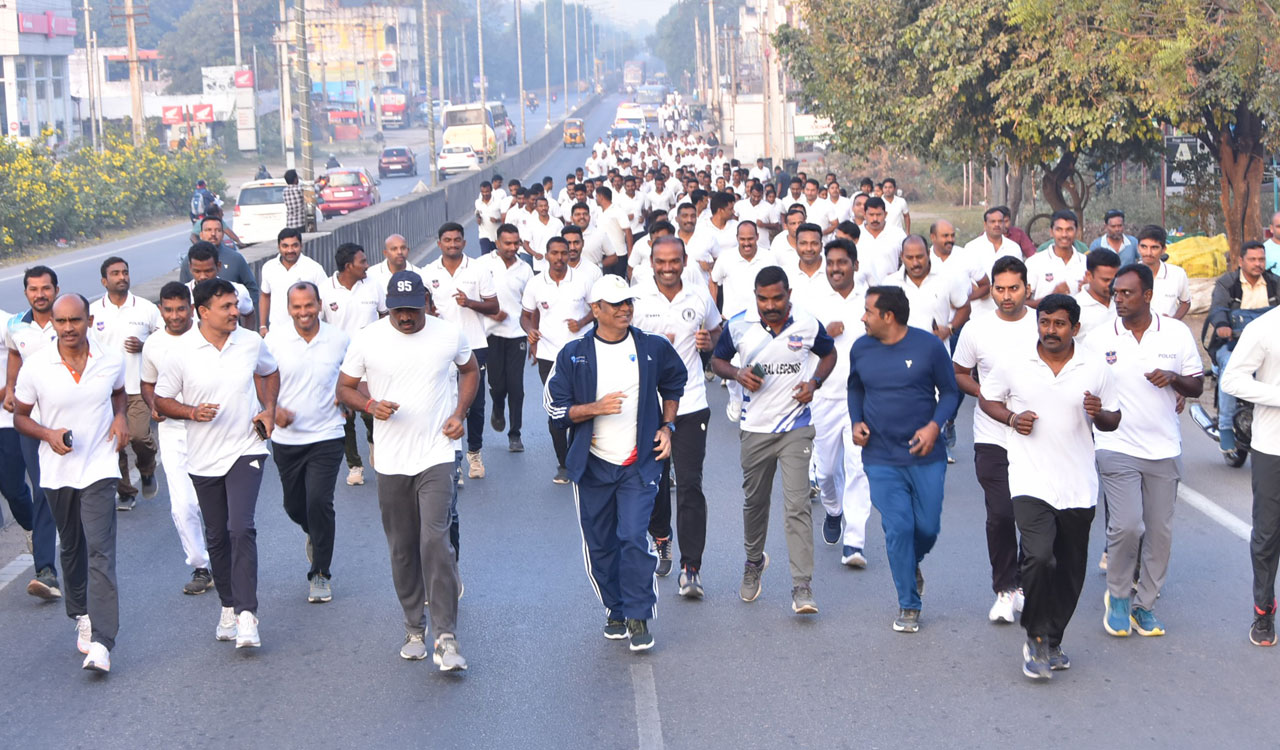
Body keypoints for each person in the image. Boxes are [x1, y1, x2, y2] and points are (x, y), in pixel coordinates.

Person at [336, 270, 478, 671]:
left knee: (435, 540)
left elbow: (470, 370)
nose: (405, 318)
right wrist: (369, 406)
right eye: (398, 311)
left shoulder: (448, 334)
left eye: (412, 310)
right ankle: (414, 627)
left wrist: (459, 413)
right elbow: (344, 388)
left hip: (436, 451)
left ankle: (446, 636)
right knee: (402, 547)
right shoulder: (368, 338)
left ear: (425, 304)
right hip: (392, 460)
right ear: (388, 307)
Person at [978, 294, 1122, 680]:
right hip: (1029, 478)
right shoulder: (1015, 361)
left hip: (1078, 483)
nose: (1050, 331)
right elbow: (986, 399)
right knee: (1039, 556)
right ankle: (1037, 637)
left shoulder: (1095, 366)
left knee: (1071, 568)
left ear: (1075, 328)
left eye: (1059, 324)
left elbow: (1114, 418)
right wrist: (1011, 418)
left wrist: (1100, 413)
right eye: (1044, 323)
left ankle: (1054, 637)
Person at [545, 275, 686, 650]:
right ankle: (616, 609)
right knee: (602, 544)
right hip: (593, 466)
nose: (626, 308)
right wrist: (595, 408)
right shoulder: (574, 353)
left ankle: (639, 615)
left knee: (633, 538)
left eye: (629, 302)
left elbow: (674, 383)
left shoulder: (651, 347)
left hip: (639, 464)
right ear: (596, 310)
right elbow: (554, 407)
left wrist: (668, 427)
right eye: (616, 303)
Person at [154, 279, 280, 650]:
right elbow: (161, 401)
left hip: (247, 447)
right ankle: (227, 604)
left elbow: (269, 372)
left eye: (235, 305)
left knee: (241, 528)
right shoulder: (180, 353)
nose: (234, 312)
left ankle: (246, 615)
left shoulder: (251, 342)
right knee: (217, 536)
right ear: (203, 312)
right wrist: (191, 412)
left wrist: (269, 410)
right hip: (203, 455)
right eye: (225, 307)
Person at [711, 266, 837, 615]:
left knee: (797, 505)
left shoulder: (808, 324)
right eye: (763, 299)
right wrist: (737, 373)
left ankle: (802, 586)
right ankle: (754, 562)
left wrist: (814, 384)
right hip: (755, 430)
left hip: (796, 428)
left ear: (789, 294)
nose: (770, 305)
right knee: (756, 502)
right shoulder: (739, 325)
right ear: (755, 297)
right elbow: (717, 359)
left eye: (777, 298)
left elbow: (829, 354)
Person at [13, 293, 129, 673]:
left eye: (74, 321)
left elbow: (118, 392)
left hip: (99, 465)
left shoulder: (110, 358)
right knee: (73, 546)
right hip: (58, 470)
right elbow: (20, 417)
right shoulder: (37, 366)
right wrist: (47, 435)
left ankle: (102, 642)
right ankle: (80, 610)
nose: (67, 328)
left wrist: (120, 417)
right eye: (61, 322)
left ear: (88, 319)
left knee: (100, 549)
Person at [1094, 263, 1203, 638]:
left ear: (1148, 296)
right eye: (1116, 293)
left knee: (1159, 533)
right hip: (1116, 444)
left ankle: (1144, 605)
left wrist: (1174, 380)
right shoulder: (1098, 336)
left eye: (1126, 293)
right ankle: (1119, 597)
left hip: (1163, 448)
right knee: (1127, 525)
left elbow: (1197, 385)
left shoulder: (1175, 333)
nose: (1119, 299)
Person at [848, 286, 960, 633]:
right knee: (898, 527)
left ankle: (911, 562)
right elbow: (856, 388)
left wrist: (933, 427)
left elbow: (952, 393)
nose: (862, 317)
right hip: (881, 455)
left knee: (925, 528)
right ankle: (909, 604)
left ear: (888, 316)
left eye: (868, 312)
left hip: (925, 454)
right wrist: (856, 421)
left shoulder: (928, 347)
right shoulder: (861, 348)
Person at [631, 236, 722, 596]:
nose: (667, 269)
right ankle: (661, 536)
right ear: (650, 262)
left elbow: (716, 329)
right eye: (660, 262)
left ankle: (691, 567)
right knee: (654, 480)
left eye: (674, 262)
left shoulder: (699, 295)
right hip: (649, 406)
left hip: (691, 404)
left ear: (684, 261)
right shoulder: (636, 298)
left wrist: (709, 342)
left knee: (689, 483)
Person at [953, 256, 1039, 623]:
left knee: (1031, 515)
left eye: (1013, 288)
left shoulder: (1043, 323)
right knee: (1001, 513)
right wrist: (985, 396)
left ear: (1027, 289)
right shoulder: (977, 328)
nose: (1006, 296)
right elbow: (960, 372)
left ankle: (1024, 581)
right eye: (1000, 289)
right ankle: (1004, 588)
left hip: (1038, 435)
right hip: (992, 435)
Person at [265, 282, 350, 604]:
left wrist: (348, 400)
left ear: (319, 305)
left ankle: (321, 573)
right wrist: (272, 410)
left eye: (309, 305)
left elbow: (353, 376)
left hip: (327, 435)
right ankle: (314, 532)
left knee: (319, 501)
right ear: (288, 309)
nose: (304, 312)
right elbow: (257, 378)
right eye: (297, 307)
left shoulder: (339, 339)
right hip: (287, 439)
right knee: (294, 505)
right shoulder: (273, 341)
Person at [140, 283, 213, 596]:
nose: (175, 316)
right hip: (173, 432)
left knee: (207, 503)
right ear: (161, 311)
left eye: (181, 308)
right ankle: (200, 565)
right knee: (182, 506)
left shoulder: (209, 336)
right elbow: (147, 383)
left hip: (211, 430)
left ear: (192, 307)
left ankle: (223, 557)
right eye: (168, 310)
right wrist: (154, 405)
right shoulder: (153, 344)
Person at [808, 239, 873, 567]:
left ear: (855, 265)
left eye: (842, 263)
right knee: (828, 469)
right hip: (825, 397)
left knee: (858, 468)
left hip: (863, 399)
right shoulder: (814, 302)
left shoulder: (871, 301)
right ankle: (834, 510)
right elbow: (795, 344)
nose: (836, 269)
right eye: (830, 263)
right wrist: (823, 334)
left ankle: (855, 541)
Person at [1220, 303, 1280, 645]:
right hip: (1274, 446)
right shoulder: (1266, 327)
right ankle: (1263, 610)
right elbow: (1232, 379)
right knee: (1268, 535)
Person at [422, 223, 499, 479]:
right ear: (439, 244)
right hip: (439, 347)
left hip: (474, 345)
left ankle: (474, 454)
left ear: (464, 243)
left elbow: (493, 307)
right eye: (447, 240)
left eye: (457, 240)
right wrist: (428, 313)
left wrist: (470, 303)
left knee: (474, 405)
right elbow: (421, 308)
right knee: (444, 404)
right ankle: (450, 458)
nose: (452, 244)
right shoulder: (426, 273)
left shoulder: (478, 269)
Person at [4, 266, 63, 600]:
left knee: (68, 494)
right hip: (30, 423)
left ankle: (78, 558)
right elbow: (15, 353)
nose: (40, 294)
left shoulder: (69, 319)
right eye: (33, 289)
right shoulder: (16, 326)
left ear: (56, 289)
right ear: (26, 292)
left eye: (46, 288)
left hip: (69, 422)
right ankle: (46, 571)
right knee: (41, 491)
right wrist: (11, 388)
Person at [521, 237, 594, 484]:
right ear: (547, 255)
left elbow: (598, 309)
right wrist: (530, 332)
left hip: (581, 354)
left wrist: (582, 323)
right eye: (555, 253)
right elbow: (526, 316)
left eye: (564, 253)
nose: (560, 257)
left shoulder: (583, 280)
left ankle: (582, 458)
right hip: (549, 356)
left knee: (583, 406)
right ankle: (563, 464)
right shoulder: (535, 283)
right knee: (557, 410)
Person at [91, 257, 161, 512]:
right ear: (104, 280)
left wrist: (146, 346)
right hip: (105, 390)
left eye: (125, 272)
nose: (122, 277)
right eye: (115, 273)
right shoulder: (93, 312)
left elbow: (164, 340)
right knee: (114, 444)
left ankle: (146, 469)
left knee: (140, 437)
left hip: (137, 387)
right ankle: (126, 491)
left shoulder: (145, 308)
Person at [1207, 241, 1280, 454]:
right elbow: (1218, 308)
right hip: (1231, 344)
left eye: (1261, 259)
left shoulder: (1274, 283)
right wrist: (1222, 325)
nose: (1258, 264)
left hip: (1268, 345)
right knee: (1231, 369)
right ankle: (1226, 426)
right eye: (1253, 259)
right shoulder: (1227, 283)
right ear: (1241, 261)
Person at [319, 243, 379, 486]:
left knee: (371, 412)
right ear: (348, 267)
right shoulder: (324, 290)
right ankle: (354, 465)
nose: (367, 266)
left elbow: (386, 317)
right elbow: (318, 326)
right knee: (345, 417)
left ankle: (376, 443)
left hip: (371, 363)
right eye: (362, 262)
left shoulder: (374, 285)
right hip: (339, 365)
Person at [480, 224, 534, 453]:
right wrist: (492, 312)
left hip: (517, 334)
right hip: (490, 334)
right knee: (497, 384)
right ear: (497, 242)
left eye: (516, 243)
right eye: (507, 243)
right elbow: (473, 299)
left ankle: (515, 434)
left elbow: (533, 306)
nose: (512, 248)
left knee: (516, 386)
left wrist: (534, 336)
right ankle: (498, 407)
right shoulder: (482, 265)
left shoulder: (525, 269)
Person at [259, 228, 328, 334]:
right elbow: (265, 296)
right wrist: (263, 326)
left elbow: (325, 299)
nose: (290, 250)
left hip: (307, 333)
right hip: (277, 333)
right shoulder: (269, 267)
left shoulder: (314, 268)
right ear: (279, 247)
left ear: (301, 246)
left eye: (294, 245)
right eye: (285, 246)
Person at [710, 221, 780, 320]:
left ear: (757, 237)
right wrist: (715, 312)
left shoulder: (769, 258)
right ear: (737, 238)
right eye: (742, 239)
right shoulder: (725, 258)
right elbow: (713, 281)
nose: (746, 243)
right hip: (731, 319)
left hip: (761, 320)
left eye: (750, 239)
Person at [1027, 210, 1087, 306]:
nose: (1064, 235)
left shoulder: (1086, 263)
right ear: (1051, 232)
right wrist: (1053, 296)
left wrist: (1089, 292)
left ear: (1077, 231)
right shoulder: (1034, 262)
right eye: (1059, 229)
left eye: (1069, 229)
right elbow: (1022, 305)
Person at [186, 243, 254, 322]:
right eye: (197, 271)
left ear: (218, 266)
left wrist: (245, 334)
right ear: (190, 267)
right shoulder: (183, 295)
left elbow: (249, 314)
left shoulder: (237, 291)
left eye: (208, 271)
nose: (202, 276)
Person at [1135, 225, 1190, 320]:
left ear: (1164, 250)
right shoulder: (1129, 274)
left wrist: (1174, 321)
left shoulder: (1177, 274)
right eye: (1144, 247)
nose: (1148, 253)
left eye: (1154, 248)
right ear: (1138, 248)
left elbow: (1186, 302)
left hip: (1167, 332)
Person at [1074, 249, 1121, 349]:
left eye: (1115, 279)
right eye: (1106, 280)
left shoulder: (1124, 303)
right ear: (1089, 276)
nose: (1112, 285)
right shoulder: (1076, 307)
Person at [857, 197, 907, 284]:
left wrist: (899, 276)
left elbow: (908, 259)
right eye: (871, 215)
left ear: (885, 214)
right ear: (864, 215)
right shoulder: (857, 233)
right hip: (861, 289)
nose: (875, 219)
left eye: (879, 214)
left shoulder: (897, 234)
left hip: (890, 288)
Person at [475, 181, 503, 255]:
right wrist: (478, 219)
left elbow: (505, 217)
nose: (485, 194)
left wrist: (497, 220)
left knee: (498, 257)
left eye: (487, 191)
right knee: (485, 257)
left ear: (491, 190)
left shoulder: (499, 202)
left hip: (497, 236)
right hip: (484, 235)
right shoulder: (478, 202)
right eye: (482, 192)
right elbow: (477, 213)